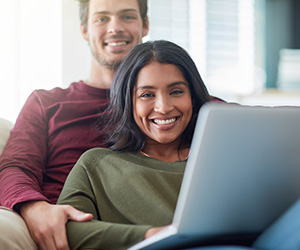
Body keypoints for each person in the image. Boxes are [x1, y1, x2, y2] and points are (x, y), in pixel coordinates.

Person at [0, 0, 149, 249]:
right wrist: (35, 209)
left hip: (143, 223)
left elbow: (226, 121)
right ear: (83, 29)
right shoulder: (46, 103)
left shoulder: (169, 105)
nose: (115, 28)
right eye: (102, 18)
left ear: (145, 25)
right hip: (58, 226)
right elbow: (16, 167)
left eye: (127, 16)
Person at [57, 40, 212, 250]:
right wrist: (153, 236)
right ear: (128, 102)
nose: (164, 107)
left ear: (193, 98)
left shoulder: (216, 159)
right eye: (147, 95)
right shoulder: (97, 164)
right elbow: (69, 230)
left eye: (176, 91)